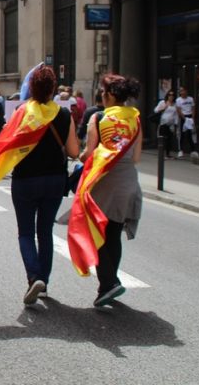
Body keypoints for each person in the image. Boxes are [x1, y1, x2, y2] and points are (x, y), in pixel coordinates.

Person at [11, 66, 79, 304]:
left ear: (31, 88)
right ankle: (44, 282)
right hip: (54, 180)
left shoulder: (21, 112)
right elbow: (73, 151)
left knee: (26, 232)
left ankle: (33, 276)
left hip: (25, 180)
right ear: (53, 89)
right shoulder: (63, 115)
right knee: (45, 232)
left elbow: (9, 148)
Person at [74, 73, 143, 307]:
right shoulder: (135, 118)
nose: (101, 97)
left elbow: (89, 154)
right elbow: (136, 157)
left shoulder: (99, 118)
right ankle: (111, 280)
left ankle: (108, 284)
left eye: (103, 93)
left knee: (100, 233)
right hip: (129, 182)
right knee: (113, 233)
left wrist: (79, 156)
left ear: (111, 95)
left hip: (105, 182)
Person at [154, 91, 179, 158]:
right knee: (163, 139)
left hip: (170, 125)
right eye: (169, 95)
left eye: (172, 95)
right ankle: (162, 153)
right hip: (163, 123)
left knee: (169, 139)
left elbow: (176, 115)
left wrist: (176, 124)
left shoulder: (175, 104)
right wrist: (164, 108)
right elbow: (156, 110)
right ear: (167, 96)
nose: (171, 96)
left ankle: (167, 154)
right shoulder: (163, 102)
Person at [175, 86, 195, 158]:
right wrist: (184, 118)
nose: (182, 92)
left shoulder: (190, 99)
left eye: (183, 90)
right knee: (182, 134)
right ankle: (180, 150)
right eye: (181, 91)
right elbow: (178, 110)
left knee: (190, 133)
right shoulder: (178, 100)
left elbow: (193, 108)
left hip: (189, 116)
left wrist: (192, 117)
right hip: (183, 117)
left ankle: (193, 150)